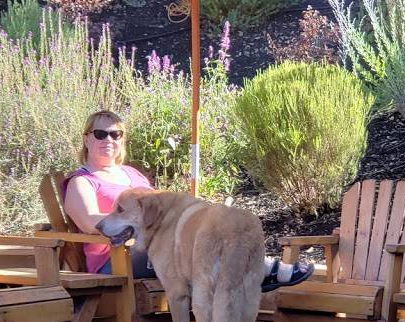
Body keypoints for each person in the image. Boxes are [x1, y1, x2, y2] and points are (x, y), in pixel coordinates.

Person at [63, 110, 313, 291]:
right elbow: (89, 223)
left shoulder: (132, 174)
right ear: (86, 139)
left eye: (115, 134)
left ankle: (255, 270)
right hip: (118, 259)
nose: (108, 140)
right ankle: (261, 271)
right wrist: (142, 224)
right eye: (100, 134)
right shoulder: (82, 182)